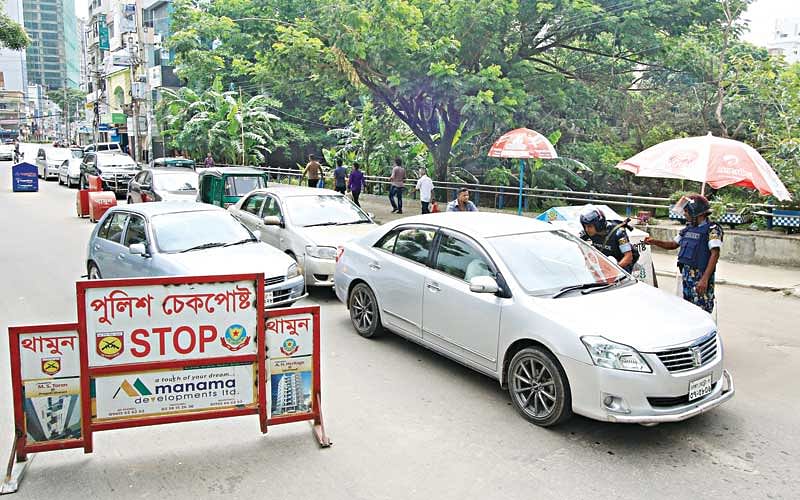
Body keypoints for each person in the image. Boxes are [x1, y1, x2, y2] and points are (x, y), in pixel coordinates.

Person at [644, 194, 723, 313]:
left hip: (700, 278)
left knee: (701, 312)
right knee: (688, 310)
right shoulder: (688, 228)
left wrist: (704, 279)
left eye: (686, 211)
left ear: (696, 212)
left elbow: (715, 254)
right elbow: (673, 245)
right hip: (686, 277)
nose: (684, 214)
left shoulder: (713, 229)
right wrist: (654, 241)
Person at [578, 206, 638, 273]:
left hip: (621, 263)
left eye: (589, 226)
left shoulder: (619, 233)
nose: (587, 229)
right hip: (604, 262)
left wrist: (613, 270)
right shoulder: (588, 232)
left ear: (599, 225)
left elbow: (628, 257)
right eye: (585, 226)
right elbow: (578, 245)